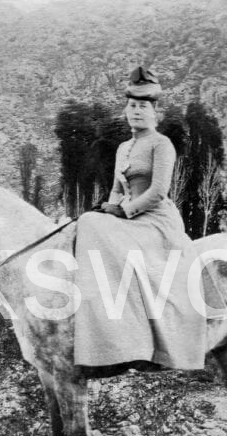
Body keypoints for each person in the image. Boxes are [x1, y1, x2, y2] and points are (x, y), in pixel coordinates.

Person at [73, 67, 208, 369]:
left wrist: (122, 211)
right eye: (132, 106)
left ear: (155, 113)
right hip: (127, 218)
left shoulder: (162, 144)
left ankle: (147, 341)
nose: (136, 112)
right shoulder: (123, 148)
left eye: (143, 107)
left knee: (95, 227)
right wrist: (107, 209)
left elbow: (158, 192)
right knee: (88, 223)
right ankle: (108, 331)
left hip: (155, 220)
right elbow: (115, 189)